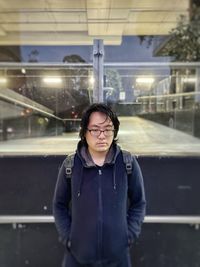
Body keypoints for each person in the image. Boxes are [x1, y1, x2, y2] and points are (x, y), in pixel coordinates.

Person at [53, 103, 146, 267]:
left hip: (118, 258)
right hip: (77, 257)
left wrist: (129, 235)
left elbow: (139, 203)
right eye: (95, 130)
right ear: (84, 132)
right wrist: (68, 238)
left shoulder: (127, 163)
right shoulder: (70, 165)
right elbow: (59, 205)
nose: (102, 136)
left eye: (108, 129)